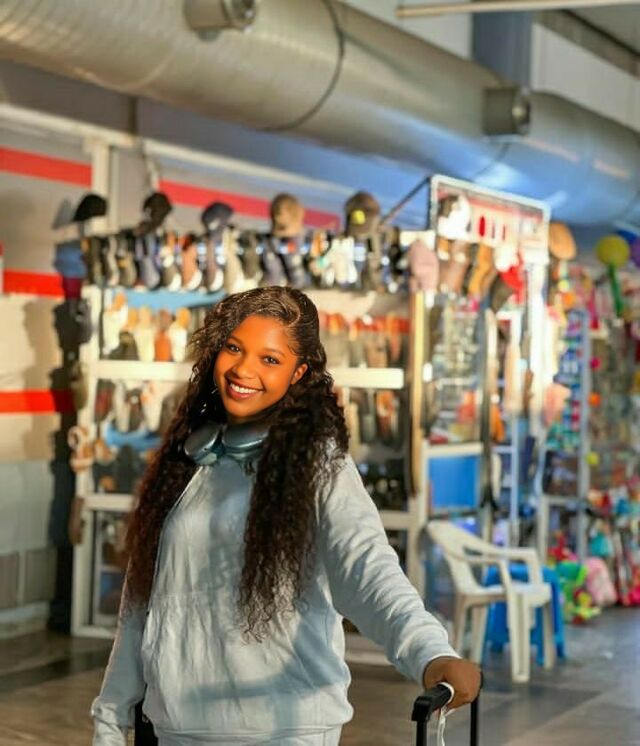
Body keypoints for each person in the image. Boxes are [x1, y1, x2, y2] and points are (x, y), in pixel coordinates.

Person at [92, 286, 481, 746]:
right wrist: (110, 718)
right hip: (178, 727)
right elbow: (140, 607)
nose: (243, 369)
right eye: (234, 348)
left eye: (269, 359)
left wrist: (431, 653)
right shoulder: (188, 462)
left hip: (285, 728)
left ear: (299, 373)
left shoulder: (318, 464)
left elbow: (368, 570)